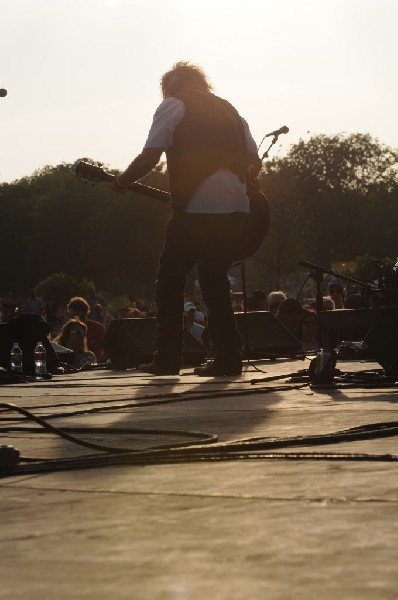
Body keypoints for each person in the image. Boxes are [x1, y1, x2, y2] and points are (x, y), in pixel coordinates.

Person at [113, 61, 262, 376]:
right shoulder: (230, 110)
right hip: (236, 207)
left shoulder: (174, 103)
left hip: (196, 207)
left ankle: (168, 358)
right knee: (213, 279)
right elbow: (254, 160)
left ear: (172, 84)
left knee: (170, 279)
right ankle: (228, 358)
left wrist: (121, 181)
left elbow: (150, 155)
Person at [67, 296, 106, 362]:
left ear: (84, 312)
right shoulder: (67, 328)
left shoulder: (98, 327)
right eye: (71, 316)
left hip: (95, 365)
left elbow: (106, 349)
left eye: (76, 313)